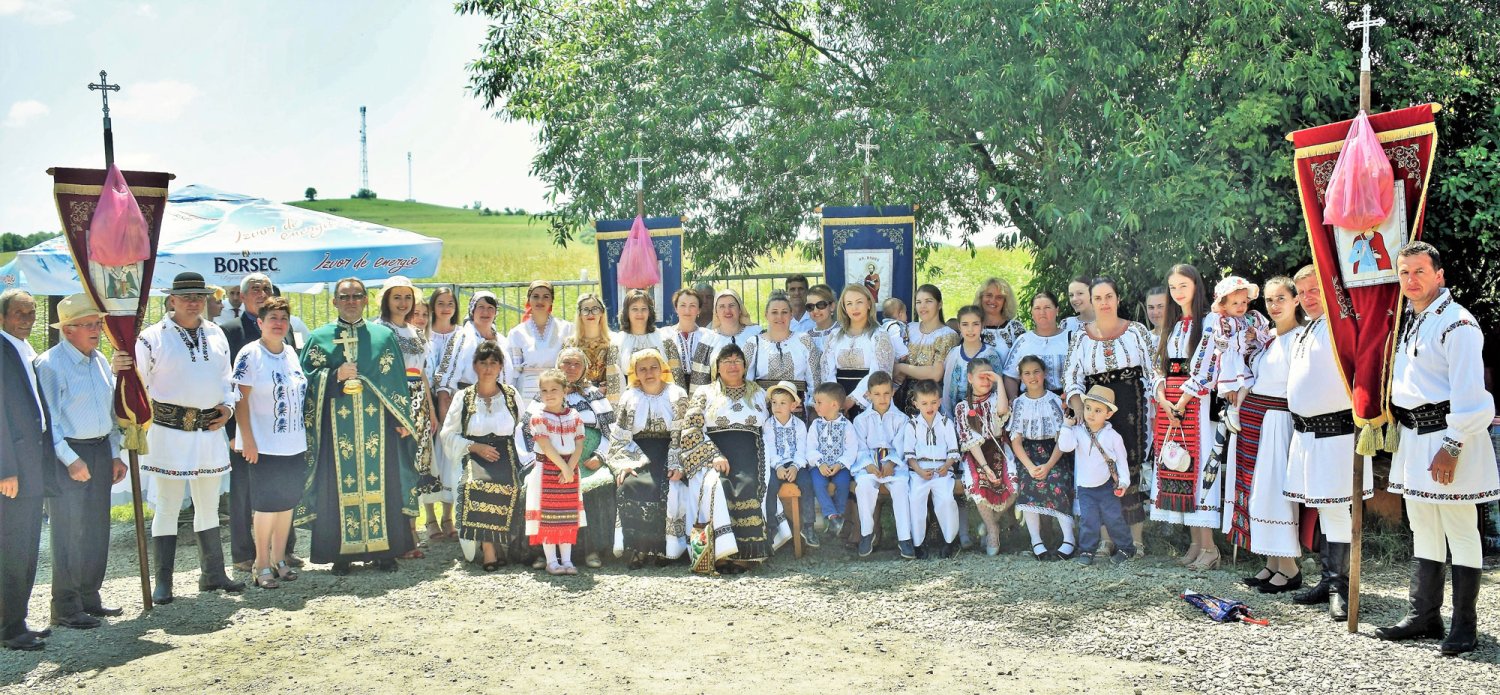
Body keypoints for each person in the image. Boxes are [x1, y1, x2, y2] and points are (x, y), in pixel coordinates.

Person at [1377, 243, 1497, 656]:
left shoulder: (1458, 323)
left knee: (1461, 531)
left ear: (1440, 274)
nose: (1411, 280)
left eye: (1420, 272)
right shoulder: (1413, 320)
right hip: (1413, 437)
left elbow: (1471, 395)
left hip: (1449, 436)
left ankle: (1465, 627)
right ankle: (1425, 615)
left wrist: (1453, 445)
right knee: (1423, 527)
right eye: (1405, 272)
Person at [130, 272, 244, 602]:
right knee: (167, 506)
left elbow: (227, 379)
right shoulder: (152, 338)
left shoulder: (216, 333)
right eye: (187, 296)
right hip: (169, 431)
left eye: (199, 296)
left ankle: (213, 574)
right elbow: (137, 382)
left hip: (209, 431)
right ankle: (163, 582)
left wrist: (228, 407)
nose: (194, 302)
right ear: (172, 300)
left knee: (208, 504)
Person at [299, 277, 420, 575]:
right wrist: (334, 374)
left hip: (378, 426)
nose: (351, 301)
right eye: (344, 296)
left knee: (385, 484)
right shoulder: (319, 338)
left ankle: (385, 551)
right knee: (336, 487)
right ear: (335, 302)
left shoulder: (381, 337)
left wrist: (401, 419)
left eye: (356, 296)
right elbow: (305, 381)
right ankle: (340, 554)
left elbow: (396, 382)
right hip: (334, 429)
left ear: (366, 300)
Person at [1283, 265, 1371, 621]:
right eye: (1302, 291)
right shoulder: (1307, 331)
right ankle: (1327, 581)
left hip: (1335, 432)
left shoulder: (1342, 326)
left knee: (1336, 510)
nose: (1308, 297)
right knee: (1322, 508)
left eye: (1314, 288)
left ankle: (1340, 589)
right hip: (1306, 434)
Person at [35, 294, 127, 628]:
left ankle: (90, 595)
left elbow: (110, 412)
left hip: (100, 449)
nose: (96, 330)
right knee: (68, 531)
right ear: (68, 330)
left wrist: (115, 453)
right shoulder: (50, 364)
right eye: (89, 325)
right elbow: (49, 422)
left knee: (97, 528)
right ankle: (65, 606)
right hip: (69, 454)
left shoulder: (100, 360)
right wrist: (71, 460)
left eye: (97, 323)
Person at [1062, 277, 1157, 556]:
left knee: (1130, 466)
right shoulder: (1080, 336)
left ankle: (1136, 539)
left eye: (1108, 296)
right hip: (1095, 407)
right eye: (1098, 298)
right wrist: (1079, 406)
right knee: (1098, 467)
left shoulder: (1136, 331)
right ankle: (1106, 539)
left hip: (1131, 403)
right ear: (1091, 301)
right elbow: (1071, 377)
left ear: (1117, 298)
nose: (1103, 303)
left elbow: (1154, 372)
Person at [677, 344, 791, 571]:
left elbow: (772, 425)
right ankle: (719, 554)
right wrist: (713, 455)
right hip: (715, 453)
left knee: (748, 486)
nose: (732, 365)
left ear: (745, 366)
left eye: (737, 360)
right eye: (726, 361)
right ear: (717, 367)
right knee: (717, 487)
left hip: (753, 451)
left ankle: (747, 556)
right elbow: (690, 430)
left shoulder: (758, 393)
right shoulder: (704, 393)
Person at [1231, 276, 1304, 593]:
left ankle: (1289, 567)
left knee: (1273, 492)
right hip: (1256, 421)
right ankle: (1272, 562)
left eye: (1281, 299)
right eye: (1270, 300)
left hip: (1277, 420)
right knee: (1258, 494)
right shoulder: (1268, 337)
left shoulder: (1300, 338)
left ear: (1296, 300)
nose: (1274, 306)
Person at [230, 296, 309, 589]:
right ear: (260, 322)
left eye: (283, 319)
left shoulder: (290, 352)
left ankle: (280, 559)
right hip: (263, 444)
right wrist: (246, 439)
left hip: (293, 442)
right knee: (265, 506)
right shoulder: (250, 354)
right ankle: (260, 562)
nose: (279, 323)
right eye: (272, 318)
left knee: (286, 504)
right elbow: (240, 399)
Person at [219, 273, 295, 572]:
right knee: (243, 493)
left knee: (281, 491)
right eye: (254, 289)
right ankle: (243, 555)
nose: (261, 292)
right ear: (240, 296)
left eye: (266, 288)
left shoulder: (284, 335)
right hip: (244, 429)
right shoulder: (229, 331)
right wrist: (234, 432)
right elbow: (229, 387)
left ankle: (284, 551)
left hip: (279, 432)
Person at [1152, 264, 1223, 568]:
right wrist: (1163, 399)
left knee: (1199, 467)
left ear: (1196, 286)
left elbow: (1208, 368)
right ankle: (1196, 543)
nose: (1178, 292)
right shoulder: (1175, 324)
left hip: (1196, 404)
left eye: (1183, 286)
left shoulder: (1209, 322)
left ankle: (1210, 548)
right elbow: (1161, 367)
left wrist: (1182, 400)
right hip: (1172, 405)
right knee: (1179, 466)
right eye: (1173, 287)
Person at [439, 340, 529, 570]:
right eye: (483, 363)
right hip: (474, 453)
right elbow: (448, 434)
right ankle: (488, 547)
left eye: (493, 363)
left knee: (513, 487)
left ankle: (503, 544)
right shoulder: (464, 397)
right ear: (475, 366)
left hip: (508, 453)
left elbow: (523, 427)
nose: (488, 368)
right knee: (477, 485)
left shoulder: (510, 395)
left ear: (500, 367)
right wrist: (474, 447)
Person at [1, 290, 54, 650]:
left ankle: (17, 617)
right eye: (19, 313)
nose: (27, 319)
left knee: (27, 546)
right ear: (2, 316)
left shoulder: (23, 349)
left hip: (32, 466)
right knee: (11, 547)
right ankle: (8, 628)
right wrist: (6, 469)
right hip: (13, 471)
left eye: (32, 312)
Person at [605, 349, 689, 568]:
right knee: (630, 485)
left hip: (671, 450)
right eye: (642, 369)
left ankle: (666, 549)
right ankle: (638, 548)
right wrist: (624, 464)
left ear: (662, 368)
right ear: (635, 373)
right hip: (637, 453)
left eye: (653, 367)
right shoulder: (630, 396)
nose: (649, 372)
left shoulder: (677, 394)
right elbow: (620, 435)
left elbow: (683, 433)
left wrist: (677, 463)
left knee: (670, 487)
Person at [373, 276, 436, 559]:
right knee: (393, 469)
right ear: (386, 300)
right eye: (396, 297)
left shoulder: (416, 331)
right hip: (393, 402)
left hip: (418, 403)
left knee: (413, 469)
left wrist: (430, 410)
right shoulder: (378, 330)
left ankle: (411, 533)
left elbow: (421, 372)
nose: (402, 303)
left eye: (407, 297)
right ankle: (396, 537)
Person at [551, 347, 617, 568]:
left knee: (595, 488)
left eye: (576, 364)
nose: (571, 368)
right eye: (566, 363)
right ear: (557, 365)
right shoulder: (548, 390)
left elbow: (611, 430)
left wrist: (600, 456)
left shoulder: (594, 395)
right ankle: (548, 553)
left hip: (589, 461)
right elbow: (528, 430)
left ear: (585, 368)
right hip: (554, 461)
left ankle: (591, 551)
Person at [1180, 276, 1270, 433]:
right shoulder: (1222, 322)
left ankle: (1235, 410)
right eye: (1235, 303)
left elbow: (1266, 335)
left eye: (1243, 302)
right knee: (1246, 382)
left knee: (1251, 383)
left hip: (1250, 360)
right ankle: (1233, 410)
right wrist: (1241, 337)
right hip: (1232, 361)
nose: (1241, 306)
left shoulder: (1251, 318)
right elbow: (1222, 343)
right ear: (1223, 305)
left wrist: (1254, 334)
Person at [1058, 385, 1134, 566]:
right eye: (1088, 408)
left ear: (1108, 415)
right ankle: (1086, 550)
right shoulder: (1077, 431)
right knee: (1088, 520)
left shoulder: (1113, 436)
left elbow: (1122, 462)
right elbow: (1064, 447)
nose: (1091, 414)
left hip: (1106, 486)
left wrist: (1123, 482)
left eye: (1098, 410)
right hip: (1085, 487)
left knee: (1114, 518)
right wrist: (1066, 426)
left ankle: (1126, 548)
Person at [1009, 355, 1075, 560]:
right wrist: (1029, 467)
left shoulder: (1055, 401)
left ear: (1044, 373)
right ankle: (1036, 540)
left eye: (1036, 371)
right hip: (1028, 454)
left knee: (1058, 481)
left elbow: (1062, 438)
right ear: (1021, 377)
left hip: (1055, 452)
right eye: (1027, 373)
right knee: (1028, 483)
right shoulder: (1018, 404)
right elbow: (1016, 441)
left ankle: (1069, 539)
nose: (1032, 377)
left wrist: (1048, 466)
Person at [527, 368, 586, 576]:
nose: (549, 394)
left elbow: (579, 445)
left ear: (565, 391)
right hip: (547, 469)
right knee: (548, 516)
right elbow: (546, 446)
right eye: (544, 390)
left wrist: (570, 469)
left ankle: (568, 560)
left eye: (554, 389)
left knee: (566, 515)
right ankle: (552, 561)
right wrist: (563, 467)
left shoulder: (575, 416)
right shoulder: (538, 417)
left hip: (570, 469)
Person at [850, 372, 915, 558]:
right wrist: (869, 465)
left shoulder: (901, 419)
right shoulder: (861, 420)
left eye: (886, 393)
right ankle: (867, 533)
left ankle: (904, 538)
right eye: (877, 394)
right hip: (870, 464)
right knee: (863, 487)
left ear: (893, 392)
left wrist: (890, 463)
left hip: (893, 465)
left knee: (901, 487)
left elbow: (901, 445)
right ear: (868, 395)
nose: (882, 398)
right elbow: (860, 447)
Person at [955, 360, 1016, 556]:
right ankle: (992, 530)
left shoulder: (997, 398)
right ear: (970, 378)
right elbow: (970, 441)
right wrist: (986, 468)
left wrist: (999, 380)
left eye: (990, 376)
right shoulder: (962, 407)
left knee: (1014, 487)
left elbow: (1002, 412)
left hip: (999, 448)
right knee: (978, 486)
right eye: (982, 376)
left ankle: (991, 523)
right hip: (977, 453)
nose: (986, 380)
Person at [822, 284, 903, 417]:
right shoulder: (834, 336)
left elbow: (880, 373)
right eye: (849, 303)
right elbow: (827, 371)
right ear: (844, 307)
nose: (854, 307)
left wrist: (852, 400)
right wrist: (835, 400)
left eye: (859, 302)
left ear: (869, 304)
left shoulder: (879, 336)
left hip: (868, 401)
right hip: (836, 402)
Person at [904, 379, 961, 558]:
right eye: (924, 403)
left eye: (933, 402)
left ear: (939, 401)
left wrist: (946, 466)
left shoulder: (946, 423)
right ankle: (918, 543)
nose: (929, 407)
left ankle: (950, 541)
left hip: (942, 472)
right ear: (916, 403)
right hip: (919, 473)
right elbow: (909, 455)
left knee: (945, 500)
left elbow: (953, 451)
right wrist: (920, 471)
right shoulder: (912, 425)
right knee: (915, 499)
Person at [423, 287, 462, 541]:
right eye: (441, 303)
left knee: (450, 457)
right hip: (426, 403)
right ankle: (429, 518)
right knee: (429, 458)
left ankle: (449, 516)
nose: (446, 307)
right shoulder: (424, 334)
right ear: (432, 306)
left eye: (450, 303)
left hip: (454, 404)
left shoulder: (462, 335)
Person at [433, 291, 509, 414]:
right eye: (481, 307)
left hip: (499, 408)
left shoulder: (503, 342)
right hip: (467, 407)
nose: (486, 312)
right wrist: (444, 413)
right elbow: (444, 380)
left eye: (490, 308)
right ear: (472, 310)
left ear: (496, 312)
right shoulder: (460, 338)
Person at [744, 292, 820, 409]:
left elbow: (815, 380)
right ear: (766, 315)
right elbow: (745, 381)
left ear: (791, 315)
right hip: (763, 406)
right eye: (774, 312)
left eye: (784, 312)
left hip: (798, 407)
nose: (779, 317)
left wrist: (813, 406)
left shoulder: (804, 341)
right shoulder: (754, 343)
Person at [805, 382, 858, 540]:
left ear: (834, 405)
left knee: (843, 482)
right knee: (818, 483)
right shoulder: (816, 425)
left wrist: (840, 464)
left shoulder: (847, 425)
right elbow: (811, 448)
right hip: (819, 466)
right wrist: (820, 463)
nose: (815, 405)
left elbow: (851, 449)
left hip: (839, 466)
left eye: (819, 402)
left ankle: (839, 513)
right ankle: (832, 515)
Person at [764, 381, 814, 547]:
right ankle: (771, 526)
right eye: (774, 403)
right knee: (769, 486)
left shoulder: (799, 426)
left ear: (793, 406)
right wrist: (778, 466)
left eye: (783, 403)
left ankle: (808, 526)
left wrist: (795, 466)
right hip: (775, 465)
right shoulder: (768, 425)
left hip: (796, 464)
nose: (777, 407)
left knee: (807, 483)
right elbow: (769, 448)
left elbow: (802, 449)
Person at [606, 289, 681, 402]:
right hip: (632, 401)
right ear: (627, 312)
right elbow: (614, 384)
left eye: (644, 309)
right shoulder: (617, 342)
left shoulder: (665, 339)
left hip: (663, 400)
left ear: (650, 312)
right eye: (634, 309)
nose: (639, 313)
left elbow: (676, 377)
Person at [509, 280, 573, 401]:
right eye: (535, 296)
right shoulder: (517, 333)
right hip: (527, 390)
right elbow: (514, 370)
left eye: (546, 297)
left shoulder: (566, 328)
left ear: (552, 300)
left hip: (556, 387)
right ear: (529, 300)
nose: (540, 301)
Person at [896, 285, 958, 410]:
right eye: (919, 302)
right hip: (900, 396)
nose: (922, 306)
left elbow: (936, 374)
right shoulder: (908, 328)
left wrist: (900, 368)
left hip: (929, 400)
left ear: (939, 305)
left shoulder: (947, 335)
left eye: (928, 301)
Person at [1003, 291, 1072, 401]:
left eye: (1047, 307)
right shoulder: (1023, 341)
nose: (1042, 312)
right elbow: (1010, 376)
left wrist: (1071, 400)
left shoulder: (1071, 339)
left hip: (1064, 404)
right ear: (1032, 312)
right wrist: (1015, 402)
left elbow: (1080, 375)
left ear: (1057, 310)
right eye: (1037, 308)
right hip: (1029, 403)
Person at [688, 288, 761, 391]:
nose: (727, 310)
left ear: (740, 309)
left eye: (731, 305)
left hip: (751, 397)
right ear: (716, 312)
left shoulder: (756, 334)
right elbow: (699, 380)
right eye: (722, 306)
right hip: (718, 400)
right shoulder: (708, 339)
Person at [943, 305, 1007, 417]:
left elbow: (998, 389)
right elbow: (947, 390)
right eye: (965, 324)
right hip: (959, 418)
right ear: (959, 326)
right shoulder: (954, 354)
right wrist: (949, 418)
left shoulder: (990, 355)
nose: (970, 329)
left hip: (987, 417)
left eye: (975, 324)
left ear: (982, 325)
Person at [660, 289, 707, 392]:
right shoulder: (664, 334)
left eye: (692, 306)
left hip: (702, 389)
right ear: (676, 308)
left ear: (699, 310)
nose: (687, 310)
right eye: (683, 305)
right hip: (671, 389)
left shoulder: (707, 336)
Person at [564, 293, 613, 392]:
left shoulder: (613, 342)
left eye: (595, 309)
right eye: (585, 310)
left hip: (608, 398)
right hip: (579, 397)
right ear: (580, 314)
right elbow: (564, 376)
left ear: (602, 313)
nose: (590, 314)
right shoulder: (571, 344)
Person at [974, 277, 1026, 353]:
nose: (992, 301)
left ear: (1005, 301)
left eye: (999, 297)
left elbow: (1024, 359)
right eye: (989, 295)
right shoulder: (970, 326)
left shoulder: (1015, 328)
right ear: (981, 298)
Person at [802, 284, 840, 351]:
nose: (815, 310)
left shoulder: (843, 332)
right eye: (810, 306)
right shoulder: (806, 337)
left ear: (832, 306)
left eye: (821, 305)